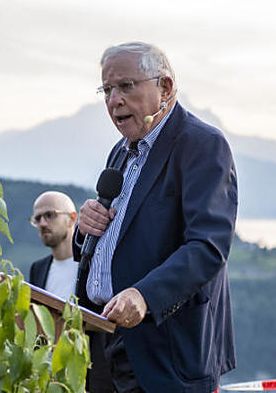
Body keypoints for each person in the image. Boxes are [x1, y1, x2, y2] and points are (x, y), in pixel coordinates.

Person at [75, 41, 237, 392]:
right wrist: (84, 230)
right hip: (103, 345)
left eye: (126, 86)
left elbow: (207, 247)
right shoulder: (119, 151)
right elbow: (119, 239)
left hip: (166, 356)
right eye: (107, 89)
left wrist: (144, 295)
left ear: (165, 87)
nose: (114, 99)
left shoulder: (202, 144)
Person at [27, 191, 79, 301]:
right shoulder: (37, 269)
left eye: (49, 215)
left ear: (72, 218)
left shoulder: (93, 265)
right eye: (37, 219)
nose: (42, 223)